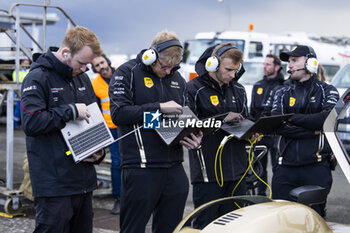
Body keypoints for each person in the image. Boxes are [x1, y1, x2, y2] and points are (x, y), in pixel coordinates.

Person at [109, 30, 202, 233]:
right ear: (151, 56)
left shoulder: (177, 78)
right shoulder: (127, 72)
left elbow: (181, 117)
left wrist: (192, 136)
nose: (168, 72)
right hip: (140, 167)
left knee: (172, 228)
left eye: (173, 67)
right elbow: (119, 114)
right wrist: (158, 107)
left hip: (174, 166)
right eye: (164, 66)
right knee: (133, 228)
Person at [21, 26, 104, 233]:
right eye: (83, 63)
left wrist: (99, 151)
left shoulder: (82, 78)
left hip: (83, 181)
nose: (86, 69)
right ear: (66, 53)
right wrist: (69, 111)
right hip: (54, 183)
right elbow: (31, 123)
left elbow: (93, 119)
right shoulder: (37, 77)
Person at [186, 42, 250, 229]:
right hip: (208, 174)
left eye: (236, 70)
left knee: (234, 226)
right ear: (212, 64)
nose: (233, 75)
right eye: (229, 69)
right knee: (205, 226)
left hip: (237, 172)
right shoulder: (193, 88)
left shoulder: (239, 89)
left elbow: (246, 119)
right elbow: (187, 127)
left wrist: (252, 132)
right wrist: (222, 119)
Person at [271, 45, 339, 217]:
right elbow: (276, 124)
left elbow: (325, 120)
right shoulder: (281, 91)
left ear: (311, 63)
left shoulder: (328, 91)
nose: (290, 66)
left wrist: (290, 118)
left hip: (316, 168)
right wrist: (313, 130)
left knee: (313, 218)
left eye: (294, 61)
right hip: (285, 168)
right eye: (289, 61)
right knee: (280, 219)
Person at [91, 54, 121, 215]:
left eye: (102, 62)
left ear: (107, 61)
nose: (101, 66)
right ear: (94, 69)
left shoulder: (123, 74)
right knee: (117, 163)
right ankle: (119, 198)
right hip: (111, 128)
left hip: (127, 125)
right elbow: (95, 109)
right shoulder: (95, 85)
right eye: (96, 65)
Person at [250, 54, 284, 195]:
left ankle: (276, 195)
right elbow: (252, 111)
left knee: (278, 168)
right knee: (259, 168)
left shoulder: (283, 86)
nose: (265, 67)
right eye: (264, 64)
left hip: (276, 135)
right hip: (259, 134)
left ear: (277, 67)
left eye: (268, 64)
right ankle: (261, 195)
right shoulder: (258, 85)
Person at [12, 58, 30, 128]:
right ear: (21, 63)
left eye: (28, 63)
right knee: (19, 109)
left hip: (26, 93)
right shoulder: (17, 72)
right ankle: (14, 124)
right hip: (19, 93)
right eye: (25, 63)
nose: (27, 64)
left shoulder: (28, 71)